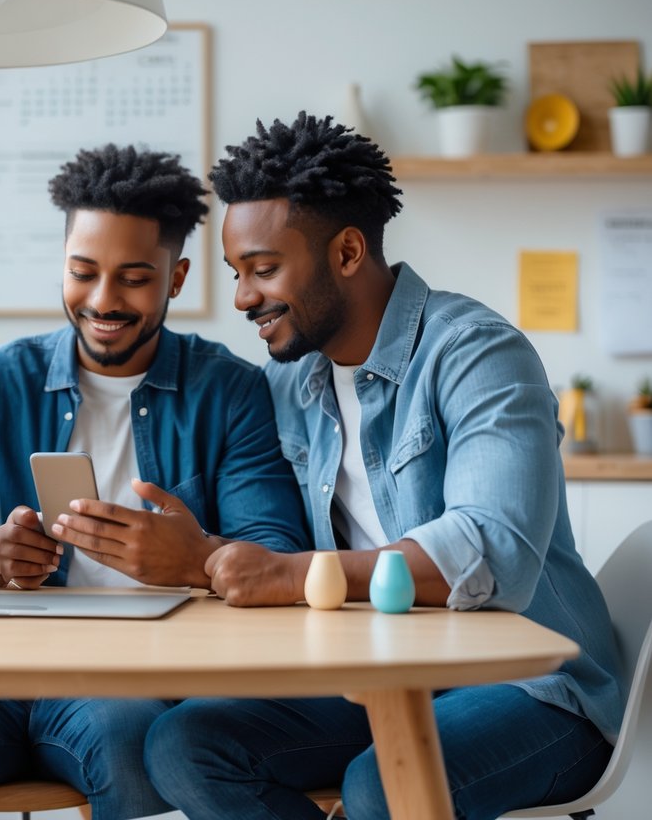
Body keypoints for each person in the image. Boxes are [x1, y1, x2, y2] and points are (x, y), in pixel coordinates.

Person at [143, 113, 624, 820]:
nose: (243, 298)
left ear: (345, 252)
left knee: (380, 787)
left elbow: (492, 552)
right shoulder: (289, 383)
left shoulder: (479, 355)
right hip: (381, 674)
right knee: (184, 743)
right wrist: (194, 550)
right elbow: (254, 526)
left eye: (264, 269)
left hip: (537, 690)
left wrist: (288, 574)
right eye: (236, 273)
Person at [0, 144, 309, 820]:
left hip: (127, 678)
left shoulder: (229, 391)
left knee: (129, 752)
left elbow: (274, 547)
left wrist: (193, 557)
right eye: (82, 273)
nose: (102, 300)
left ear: (175, 279)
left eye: (133, 278)